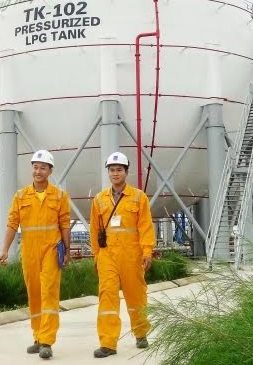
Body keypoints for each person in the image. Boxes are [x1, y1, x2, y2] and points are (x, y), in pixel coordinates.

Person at [0, 149, 71, 360]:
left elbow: (65, 225)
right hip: (29, 251)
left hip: (51, 249)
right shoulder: (21, 196)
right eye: (35, 167)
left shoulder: (59, 196)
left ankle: (47, 341)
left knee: (49, 292)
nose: (38, 171)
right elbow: (12, 224)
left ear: (50, 171)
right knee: (34, 294)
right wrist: (4, 249)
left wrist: (67, 250)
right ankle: (38, 336)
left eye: (43, 168)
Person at [90, 151, 155, 358]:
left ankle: (141, 332)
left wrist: (147, 251)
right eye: (112, 170)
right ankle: (108, 343)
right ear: (108, 172)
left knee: (136, 296)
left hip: (131, 255)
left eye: (119, 170)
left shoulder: (138, 197)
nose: (115, 173)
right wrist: (96, 255)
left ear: (126, 172)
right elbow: (95, 230)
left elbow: (145, 226)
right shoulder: (99, 199)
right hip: (107, 255)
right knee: (107, 297)